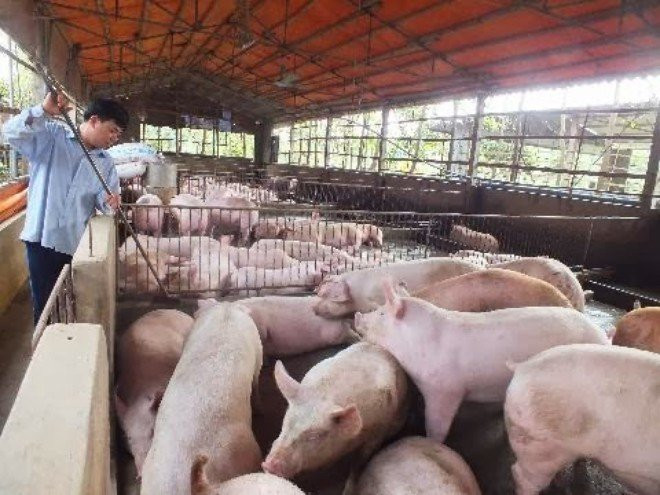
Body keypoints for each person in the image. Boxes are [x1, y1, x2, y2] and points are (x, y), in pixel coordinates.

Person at [3, 91, 126, 324]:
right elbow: (10, 133)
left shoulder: (106, 163)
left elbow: (106, 204)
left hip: (74, 242)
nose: (114, 138)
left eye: (118, 135)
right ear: (94, 120)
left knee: (71, 301)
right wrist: (42, 111)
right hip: (42, 240)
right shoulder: (52, 137)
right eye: (112, 130)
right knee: (45, 304)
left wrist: (111, 202)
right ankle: (44, 339)